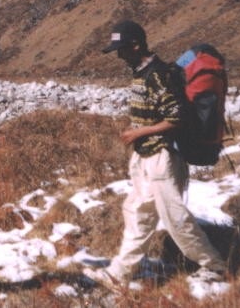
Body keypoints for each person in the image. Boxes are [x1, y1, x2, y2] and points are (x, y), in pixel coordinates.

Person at [86, 20, 227, 286]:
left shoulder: (158, 75)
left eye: (122, 49)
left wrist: (138, 133)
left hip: (162, 156)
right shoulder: (141, 73)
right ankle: (122, 271)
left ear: (136, 45)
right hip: (145, 155)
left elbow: (177, 118)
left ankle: (215, 266)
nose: (119, 55)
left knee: (174, 215)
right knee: (138, 210)